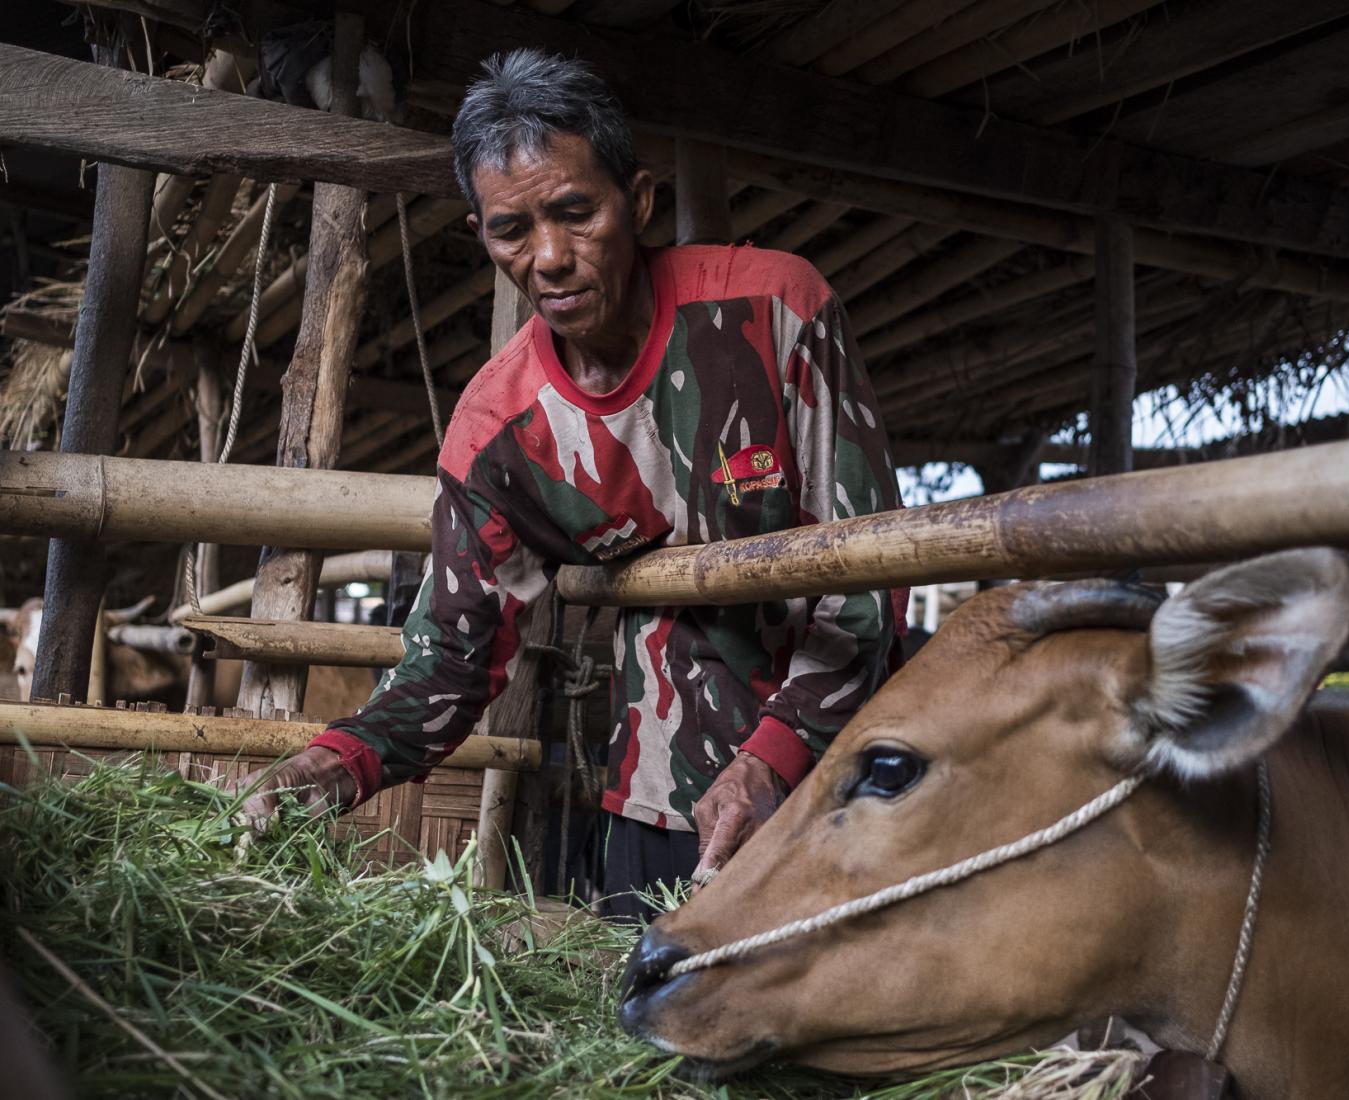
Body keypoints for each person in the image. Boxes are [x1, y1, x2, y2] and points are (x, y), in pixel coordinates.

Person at [238, 48, 902, 921]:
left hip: (850, 788)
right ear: (482, 235)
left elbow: (870, 583)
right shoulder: (498, 436)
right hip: (662, 808)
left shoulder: (775, 313)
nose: (549, 257)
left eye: (575, 213)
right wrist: (336, 761)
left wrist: (771, 759)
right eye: (512, 229)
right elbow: (451, 656)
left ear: (641, 201)